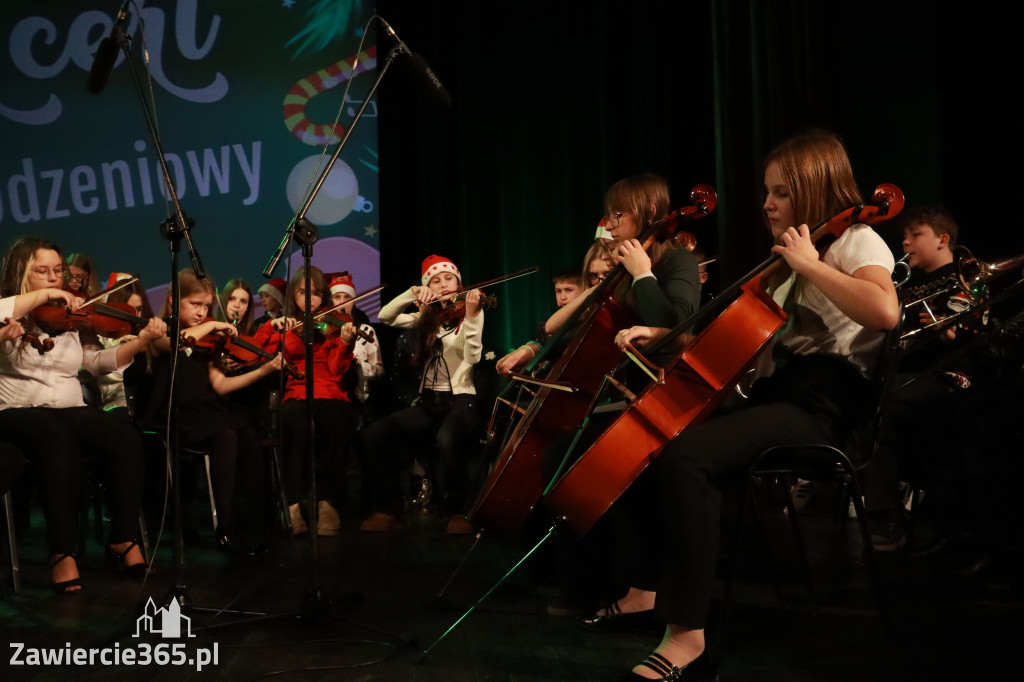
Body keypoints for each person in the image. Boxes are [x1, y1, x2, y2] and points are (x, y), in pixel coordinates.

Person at [606, 131, 899, 680]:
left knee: (689, 457)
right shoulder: (793, 260)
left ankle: (687, 638)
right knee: (652, 440)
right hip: (785, 393)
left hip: (826, 405)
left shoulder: (857, 240)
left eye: (782, 193)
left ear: (814, 190)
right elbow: (739, 343)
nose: (767, 203)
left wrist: (810, 265)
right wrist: (668, 333)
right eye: (768, 192)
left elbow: (884, 313)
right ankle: (645, 590)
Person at [0, 238, 167, 593]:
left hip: (68, 406)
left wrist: (139, 342)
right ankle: (62, 552)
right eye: (41, 271)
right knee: (57, 441)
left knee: (124, 437)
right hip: (16, 410)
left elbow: (94, 363)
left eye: (57, 271)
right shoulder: (9, 308)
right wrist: (44, 296)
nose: (52, 278)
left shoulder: (72, 316)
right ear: (21, 273)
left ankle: (123, 537)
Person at [149, 269, 282, 553]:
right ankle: (226, 526)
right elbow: (175, 343)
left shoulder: (207, 343)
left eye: (206, 306)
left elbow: (219, 385)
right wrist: (211, 325)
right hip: (175, 413)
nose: (202, 312)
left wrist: (264, 371)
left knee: (247, 432)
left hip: (206, 410)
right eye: (195, 304)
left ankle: (257, 524)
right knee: (226, 435)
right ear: (174, 301)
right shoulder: (159, 330)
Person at [359, 255, 484, 535]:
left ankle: (458, 510)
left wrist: (474, 318)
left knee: (447, 438)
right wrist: (412, 292)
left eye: (448, 279)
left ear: (459, 282)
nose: (443, 285)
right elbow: (385, 316)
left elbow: (473, 356)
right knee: (374, 434)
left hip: (460, 400)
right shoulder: (423, 319)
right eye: (435, 281)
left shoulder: (470, 314)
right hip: (427, 403)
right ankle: (391, 508)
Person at [253, 267, 358, 536]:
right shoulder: (286, 324)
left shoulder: (333, 323)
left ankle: (328, 503)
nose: (310, 298)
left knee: (337, 421)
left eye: (316, 293)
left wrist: (345, 343)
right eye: (303, 292)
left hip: (330, 390)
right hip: (296, 390)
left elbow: (337, 369)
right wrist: (270, 325)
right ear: (293, 294)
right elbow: (252, 353)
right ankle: (292, 504)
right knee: (293, 425)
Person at [495, 266, 584, 377]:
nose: (562, 297)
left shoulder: (585, 324)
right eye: (558, 291)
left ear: (584, 291)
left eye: (569, 290)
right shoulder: (547, 325)